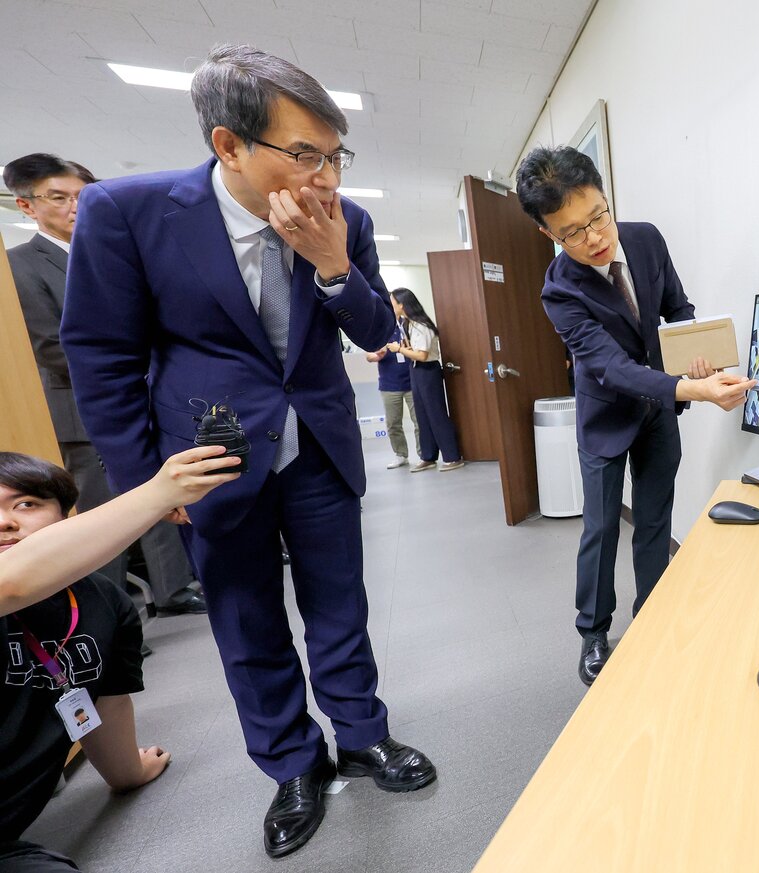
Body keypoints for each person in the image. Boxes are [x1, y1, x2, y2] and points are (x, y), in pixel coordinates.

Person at [59, 45, 436, 859]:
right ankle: (292, 765)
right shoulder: (127, 214)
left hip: (321, 449)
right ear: (229, 145)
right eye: (304, 155)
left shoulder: (347, 221)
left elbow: (379, 334)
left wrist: (333, 263)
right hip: (208, 460)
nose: (326, 176)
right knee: (246, 617)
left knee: (341, 606)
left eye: (336, 154)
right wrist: (147, 487)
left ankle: (362, 736)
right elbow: (102, 357)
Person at [515, 146, 755, 686]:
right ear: (548, 234)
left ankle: (651, 616)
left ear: (606, 195)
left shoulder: (645, 238)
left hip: (660, 411)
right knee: (600, 530)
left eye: (597, 216)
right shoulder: (559, 290)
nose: (594, 237)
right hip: (606, 416)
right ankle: (593, 632)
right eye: (571, 232)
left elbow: (678, 307)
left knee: (654, 521)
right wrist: (690, 386)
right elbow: (611, 368)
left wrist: (694, 351)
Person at [1, 446, 240, 873]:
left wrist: (129, 771)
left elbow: (105, 702)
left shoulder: (103, 601)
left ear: (66, 518)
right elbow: (13, 584)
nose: (5, 522)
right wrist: (157, 494)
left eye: (26, 504)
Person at [3, 154, 206, 616]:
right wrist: (127, 371)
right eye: (59, 197)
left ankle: (174, 590)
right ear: (26, 206)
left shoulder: (118, 255)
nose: (75, 206)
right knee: (103, 516)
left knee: (155, 498)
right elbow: (53, 348)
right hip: (82, 410)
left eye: (83, 196)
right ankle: (111, 614)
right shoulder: (20, 266)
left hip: (149, 401)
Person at [388, 288, 464, 473]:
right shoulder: (408, 324)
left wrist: (399, 349)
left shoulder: (422, 325)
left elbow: (422, 355)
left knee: (436, 413)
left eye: (393, 302)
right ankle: (428, 457)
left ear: (402, 304)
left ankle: (452, 456)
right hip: (415, 370)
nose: (391, 305)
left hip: (427, 370)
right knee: (422, 415)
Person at [364, 307, 417, 469]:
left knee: (419, 421)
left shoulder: (408, 325)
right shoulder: (378, 328)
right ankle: (401, 455)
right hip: (389, 383)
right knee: (393, 423)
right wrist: (376, 356)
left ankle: (425, 455)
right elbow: (369, 355)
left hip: (412, 380)